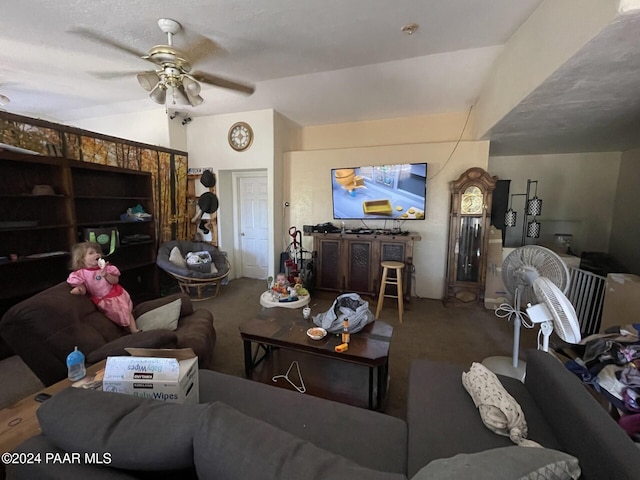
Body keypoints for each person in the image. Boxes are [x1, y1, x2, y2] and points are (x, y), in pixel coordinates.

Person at [67, 241, 140, 333]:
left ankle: (134, 330)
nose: (96, 254)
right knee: (115, 315)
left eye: (97, 252)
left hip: (115, 295)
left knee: (125, 311)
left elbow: (115, 281)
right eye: (91, 253)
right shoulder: (81, 274)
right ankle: (124, 329)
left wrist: (106, 275)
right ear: (82, 259)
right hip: (101, 300)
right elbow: (83, 288)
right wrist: (79, 289)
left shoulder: (106, 268)